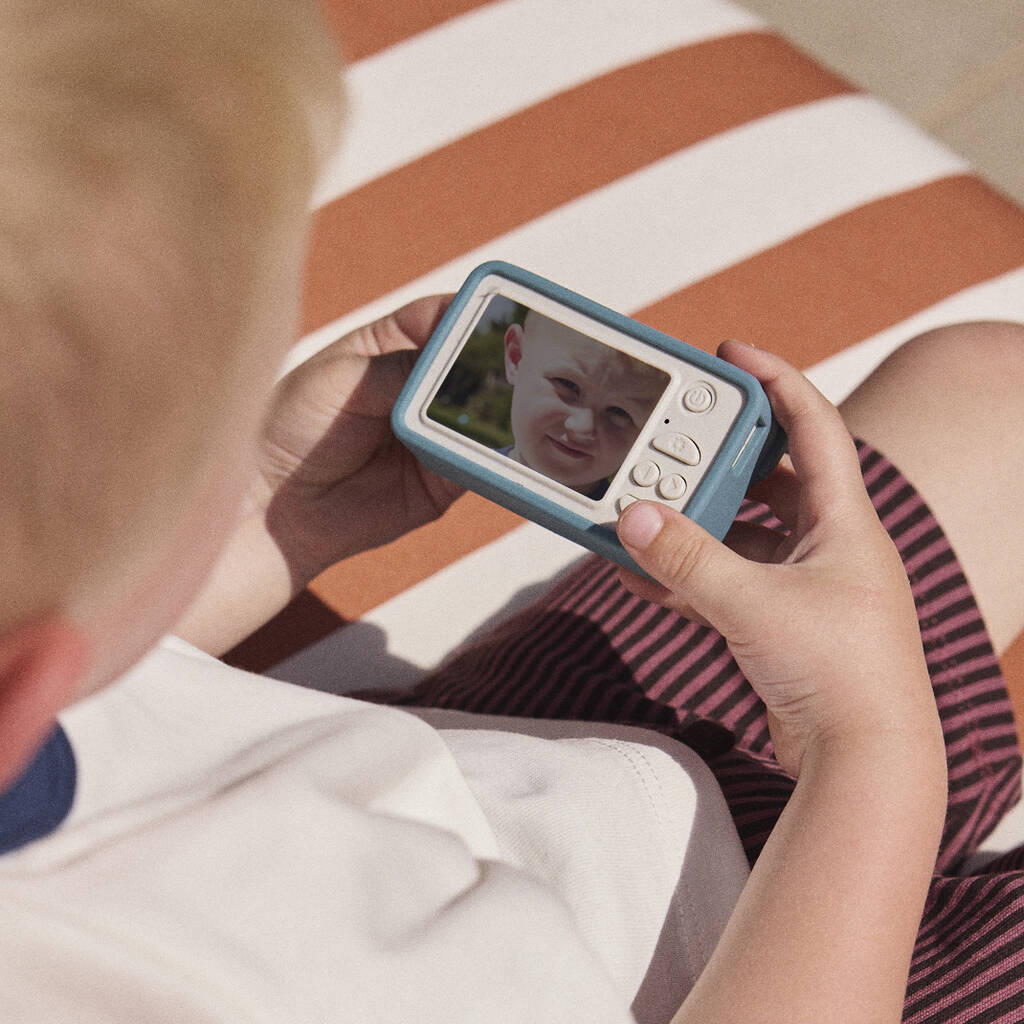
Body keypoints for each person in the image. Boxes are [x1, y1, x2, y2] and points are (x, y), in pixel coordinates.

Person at [2, 2, 1023, 1023]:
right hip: (736, 978)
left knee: (991, 385)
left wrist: (278, 512)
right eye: (213, 446)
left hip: (526, 781)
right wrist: (873, 749)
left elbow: (118, 700)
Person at [500, 311, 667, 497]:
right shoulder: (470, 471)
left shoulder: (629, 516)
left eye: (619, 412)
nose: (581, 426)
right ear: (516, 357)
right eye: (567, 384)